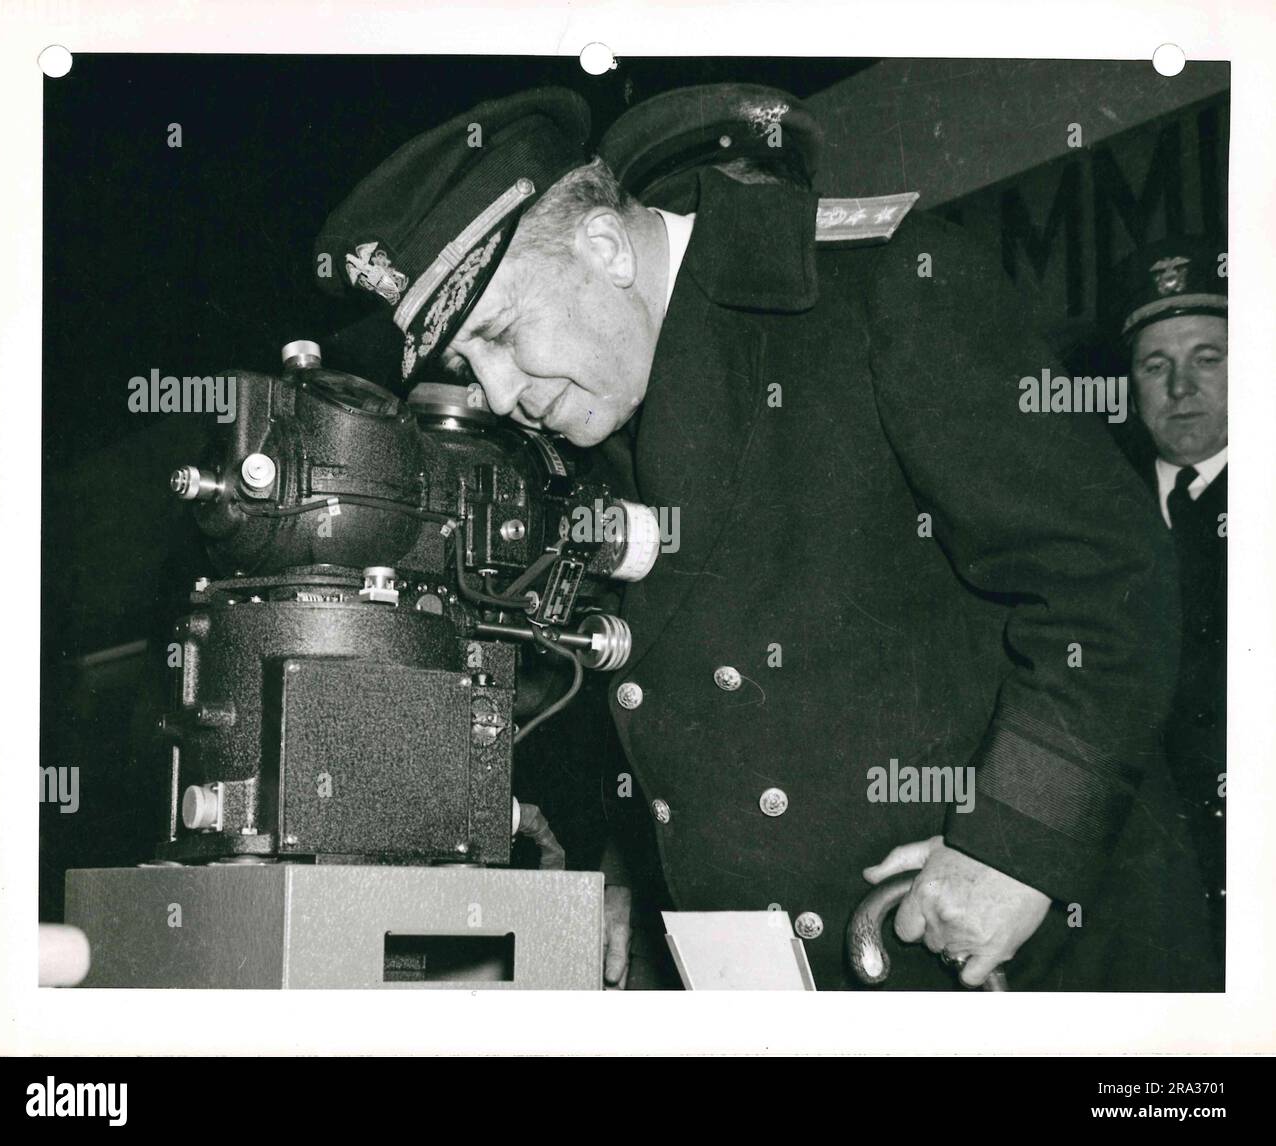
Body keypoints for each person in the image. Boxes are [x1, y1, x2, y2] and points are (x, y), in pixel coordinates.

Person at [315, 87, 1217, 990]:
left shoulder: (878, 287)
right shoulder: (599, 405)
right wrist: (636, 868)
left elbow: (1106, 577)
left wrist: (1017, 845)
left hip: (1007, 961)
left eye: (503, 335)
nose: (501, 394)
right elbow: (664, 695)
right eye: (470, 364)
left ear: (603, 247)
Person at [1114, 237, 1227, 960]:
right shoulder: (1094, 512)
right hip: (1140, 888)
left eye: (1207, 360)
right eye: (1157, 366)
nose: (1180, 388)